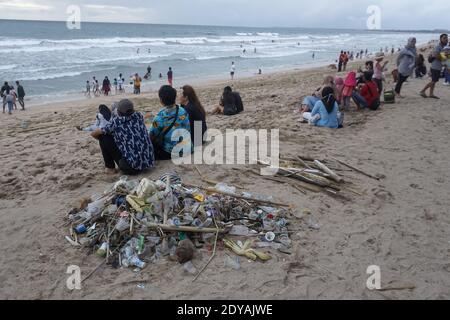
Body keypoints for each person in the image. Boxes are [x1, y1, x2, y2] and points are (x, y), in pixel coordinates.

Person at [91, 99, 154, 175]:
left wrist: (105, 141)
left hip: (132, 168)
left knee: (103, 137)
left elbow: (94, 134)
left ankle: (110, 168)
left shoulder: (116, 122)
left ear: (118, 112)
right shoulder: (138, 115)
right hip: (148, 162)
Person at [150, 85, 191, 160]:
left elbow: (152, 134)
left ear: (161, 100)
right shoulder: (183, 111)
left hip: (172, 152)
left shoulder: (160, 117)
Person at [420, 34, 448, 99]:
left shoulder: (444, 47)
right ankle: (422, 91)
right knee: (434, 81)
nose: (446, 39)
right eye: (444, 38)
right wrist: (444, 58)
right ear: (440, 39)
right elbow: (435, 55)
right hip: (435, 66)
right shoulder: (438, 46)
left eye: (446, 38)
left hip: (438, 66)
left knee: (434, 80)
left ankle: (431, 94)